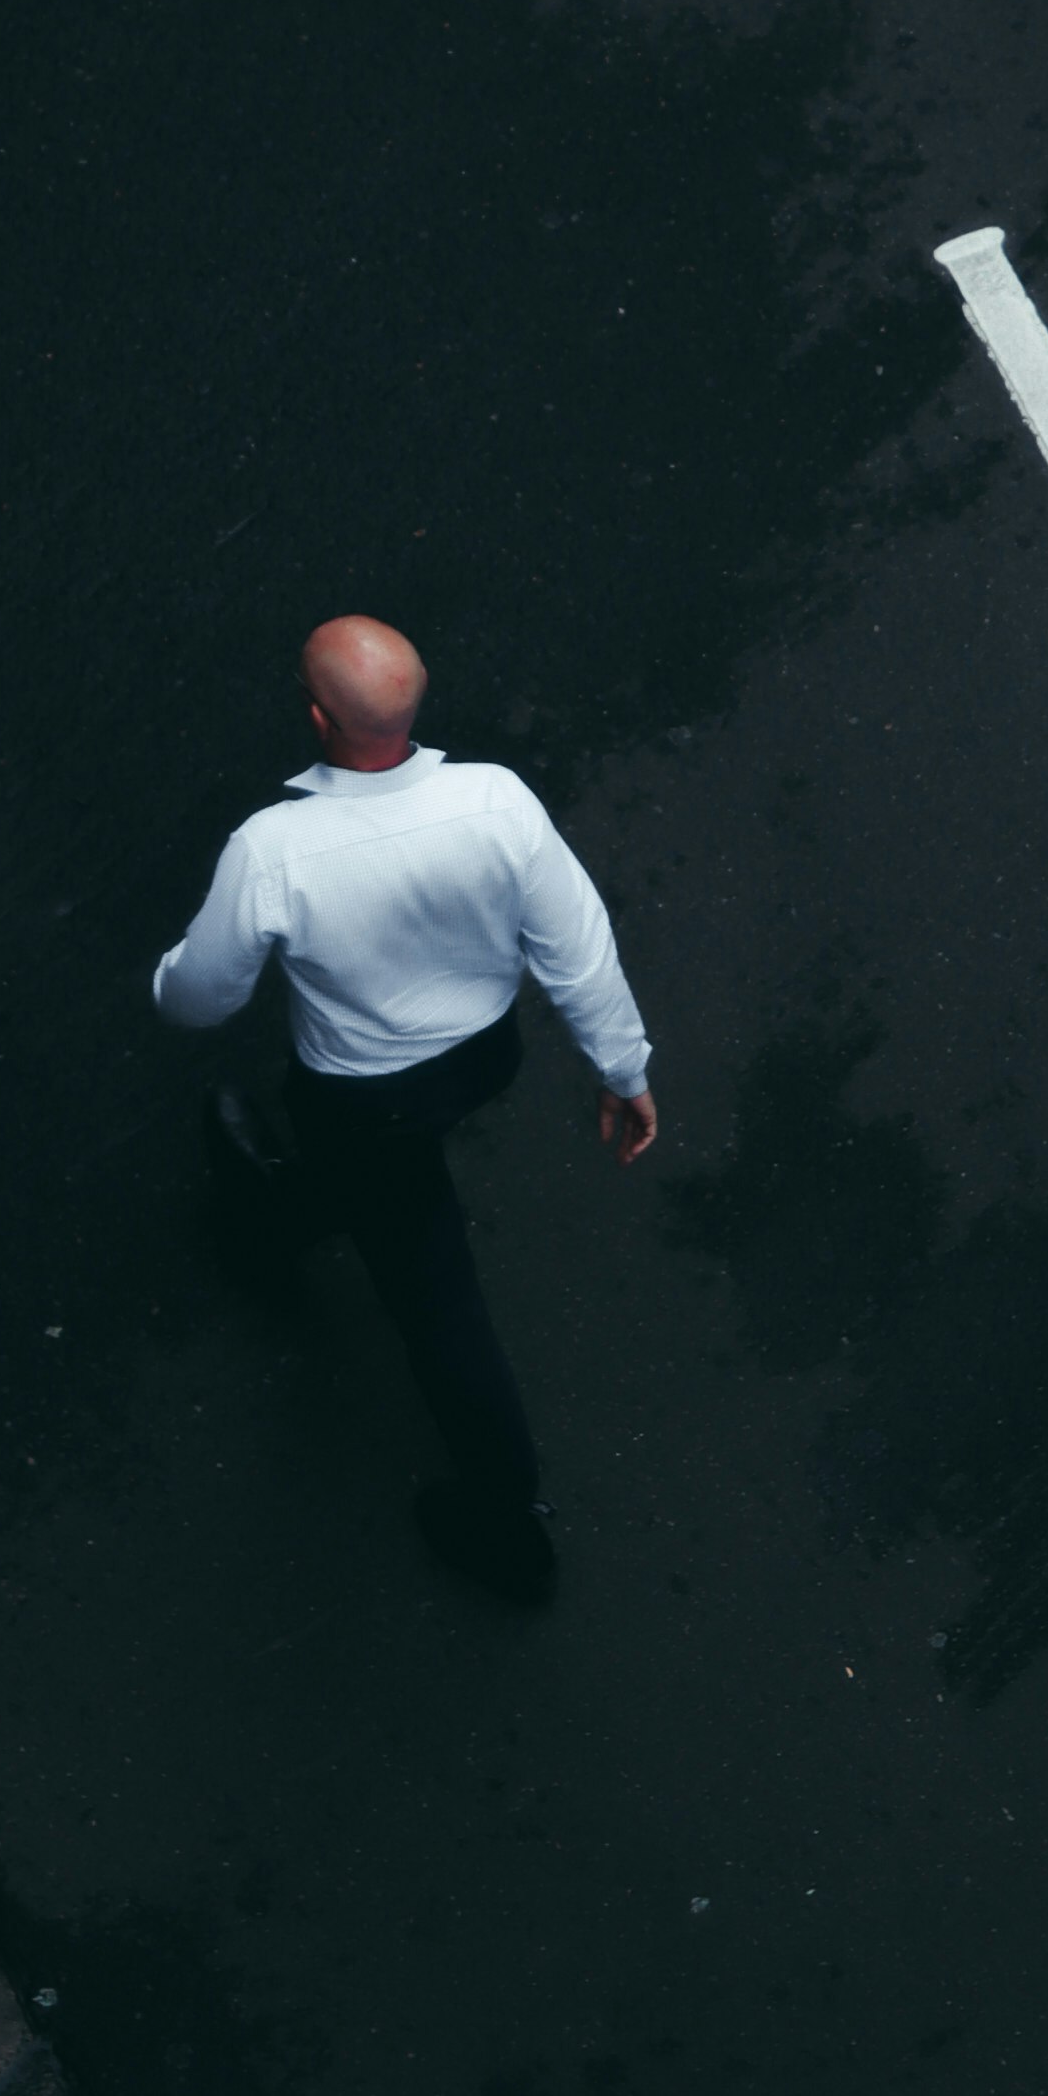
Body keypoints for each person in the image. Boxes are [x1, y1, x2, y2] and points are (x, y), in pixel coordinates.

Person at [152, 616, 657, 1597]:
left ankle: (505, 1518)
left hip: (361, 1099)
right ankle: (281, 1213)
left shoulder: (273, 850)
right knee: (378, 1194)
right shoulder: (495, 802)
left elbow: (196, 996)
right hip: (478, 1062)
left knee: (437, 1307)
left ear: (314, 714)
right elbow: (575, 944)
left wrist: (174, 968)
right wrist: (621, 1069)